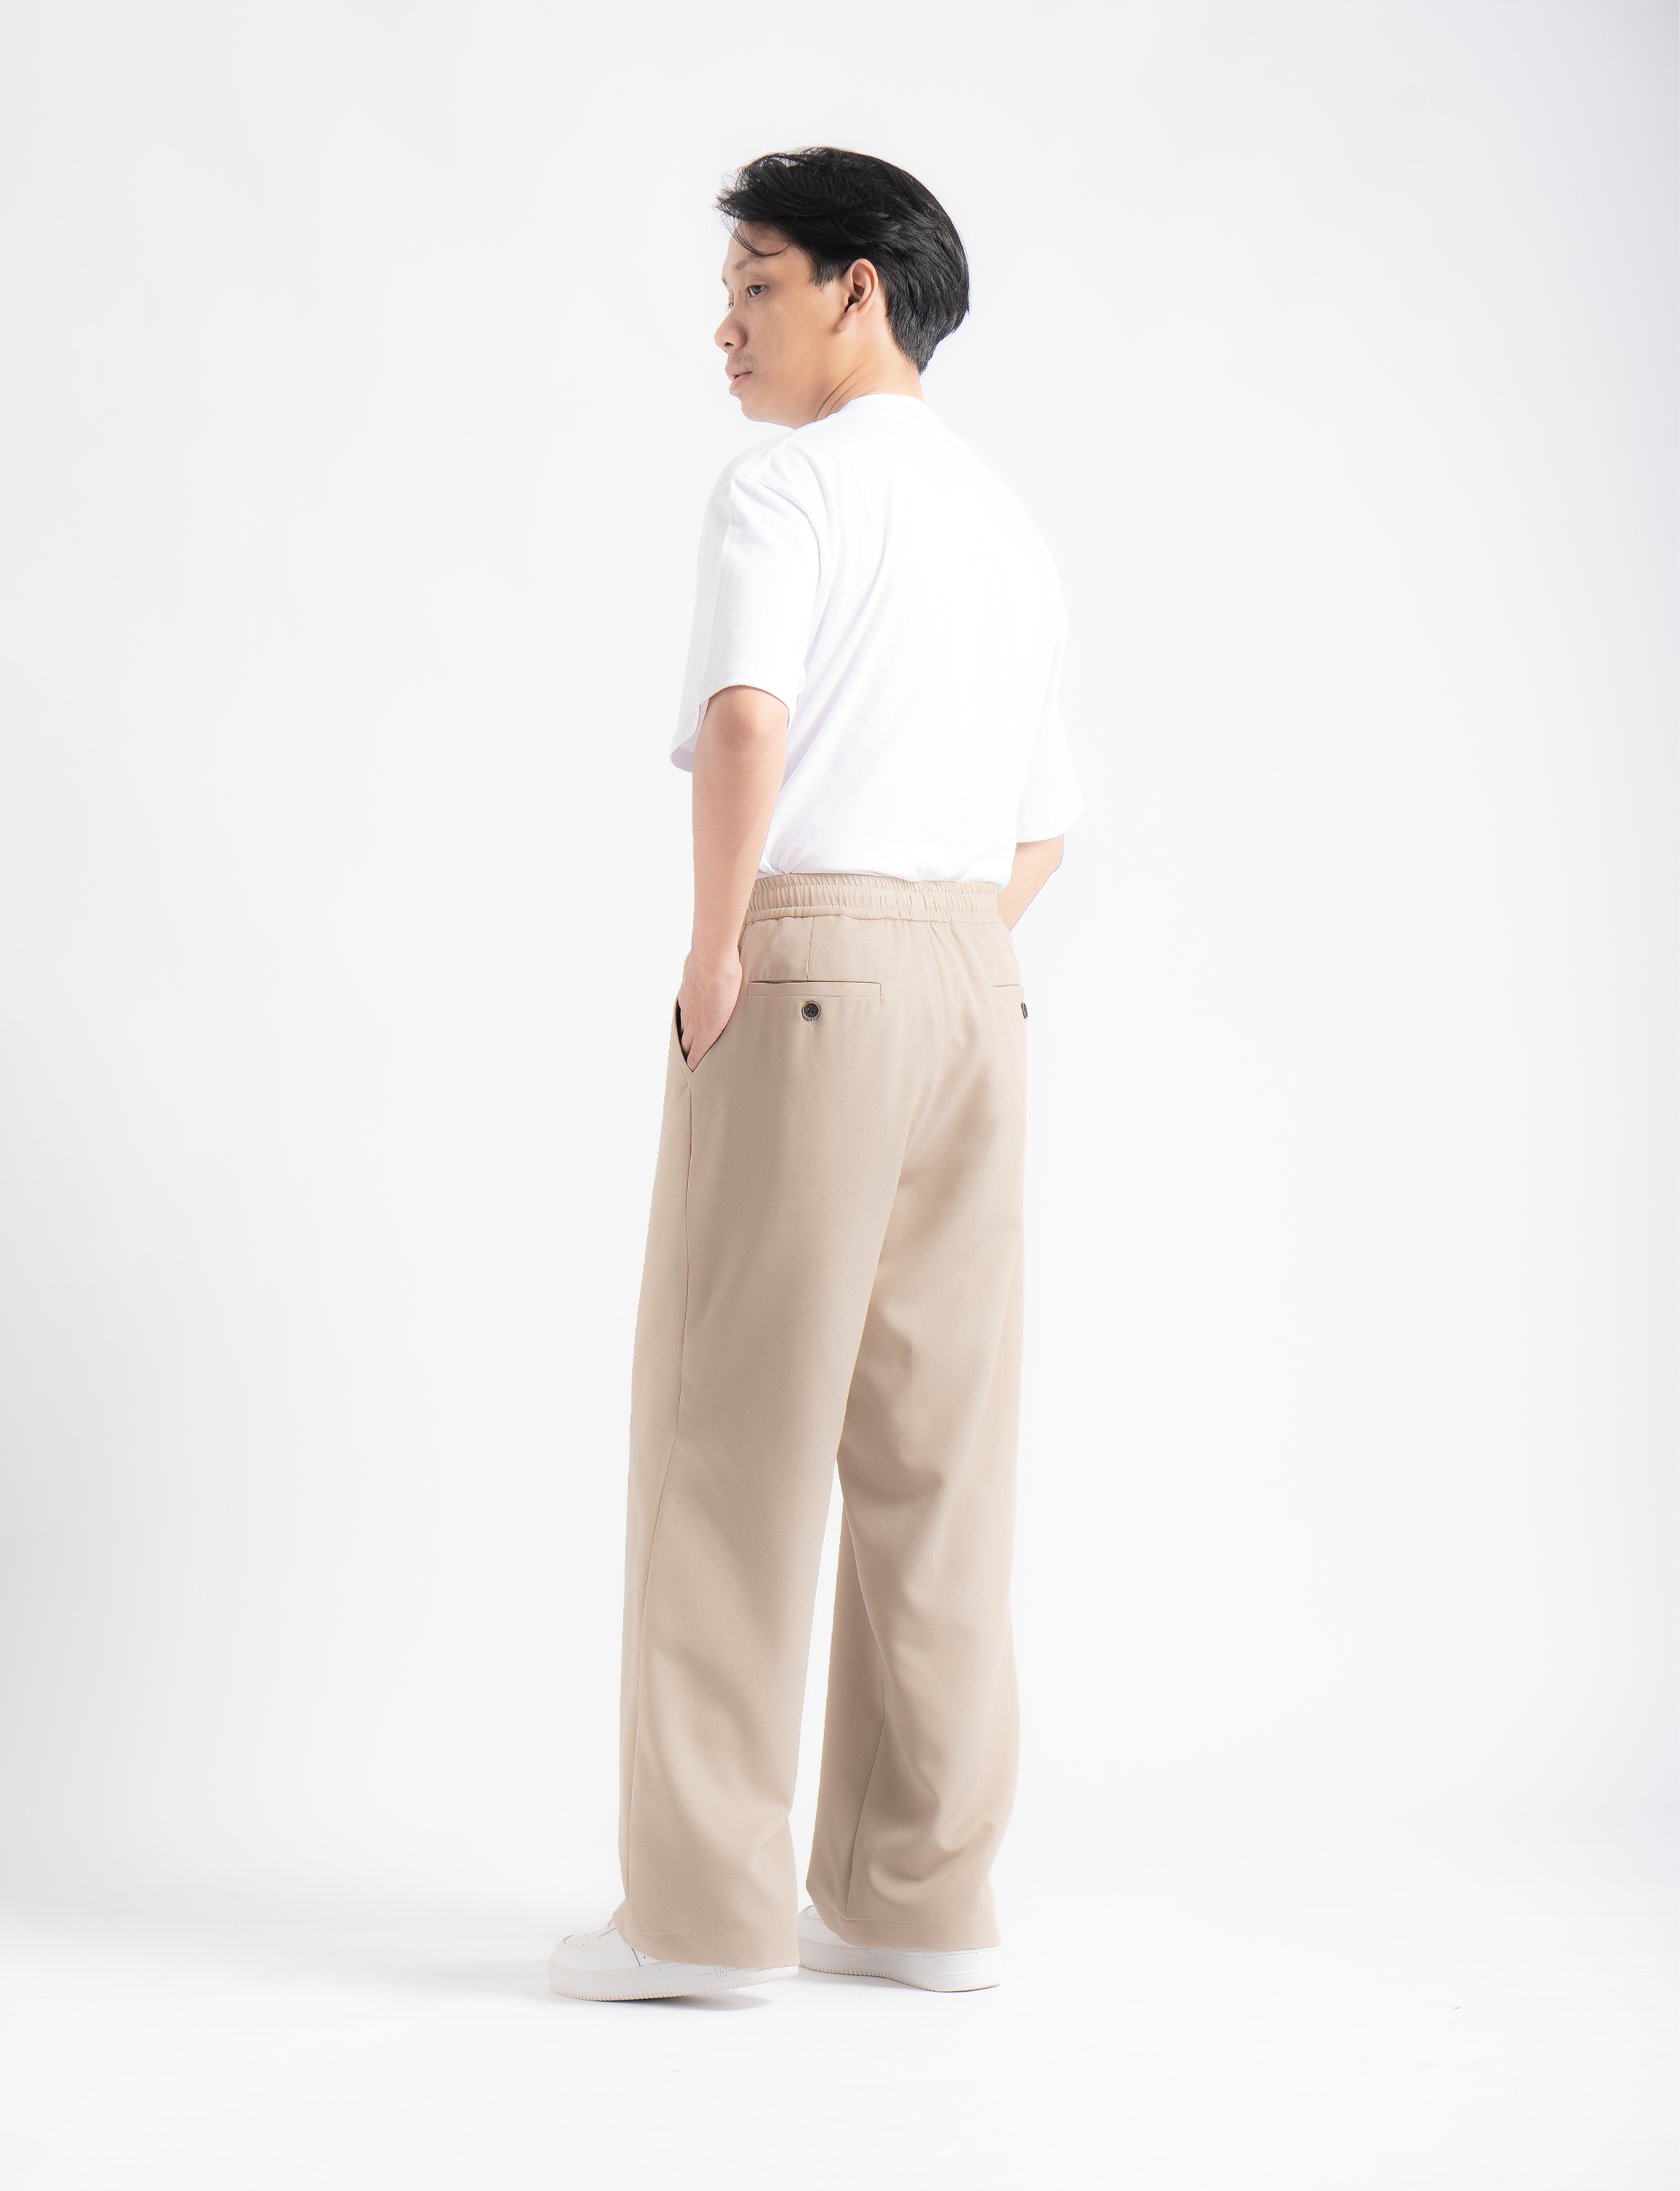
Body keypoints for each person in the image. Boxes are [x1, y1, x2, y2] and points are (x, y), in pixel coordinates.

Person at [549, 146, 1082, 2003]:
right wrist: (936, 945)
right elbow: (1046, 827)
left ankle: (700, 1923)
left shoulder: (784, 486)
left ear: (861, 289)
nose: (724, 325)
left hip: (814, 972)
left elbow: (745, 718)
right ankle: (916, 1899)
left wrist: (723, 953)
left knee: (729, 1435)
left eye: (756, 284)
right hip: (973, 982)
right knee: (938, 1457)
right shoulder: (1006, 525)